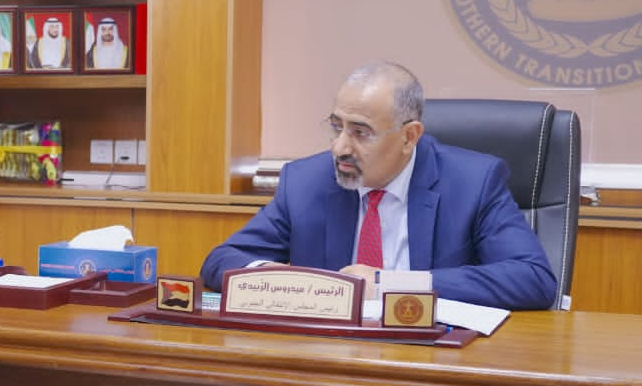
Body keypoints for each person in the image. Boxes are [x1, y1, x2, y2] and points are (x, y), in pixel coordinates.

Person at [200, 61, 557, 310]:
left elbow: (533, 279)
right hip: (328, 361)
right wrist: (279, 279)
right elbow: (221, 261)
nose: (340, 147)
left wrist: (390, 284)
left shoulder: (472, 182)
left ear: (409, 136)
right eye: (336, 126)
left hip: (431, 361)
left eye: (360, 132)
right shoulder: (306, 181)